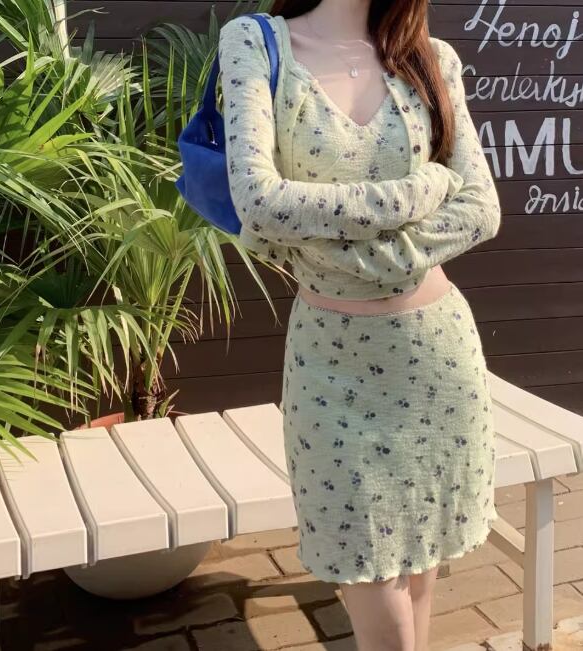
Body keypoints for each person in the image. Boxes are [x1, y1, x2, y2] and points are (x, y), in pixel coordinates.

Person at [218, 1, 501, 649]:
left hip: (437, 362)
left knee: (420, 568)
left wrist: (345, 252)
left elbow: (481, 209)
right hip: (330, 371)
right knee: (374, 588)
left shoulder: (430, 60)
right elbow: (260, 204)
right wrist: (419, 191)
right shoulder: (256, 46)